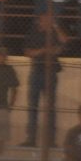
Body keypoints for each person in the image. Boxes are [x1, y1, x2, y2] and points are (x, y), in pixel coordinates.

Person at [22, 12, 67, 147]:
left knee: (50, 108)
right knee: (33, 106)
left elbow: (64, 41)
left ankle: (51, 140)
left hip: (50, 71)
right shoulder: (33, 33)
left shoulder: (54, 32)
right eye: (44, 20)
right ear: (39, 21)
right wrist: (42, 51)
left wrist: (56, 27)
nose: (46, 22)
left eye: (49, 20)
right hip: (37, 70)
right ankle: (31, 139)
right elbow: (27, 52)